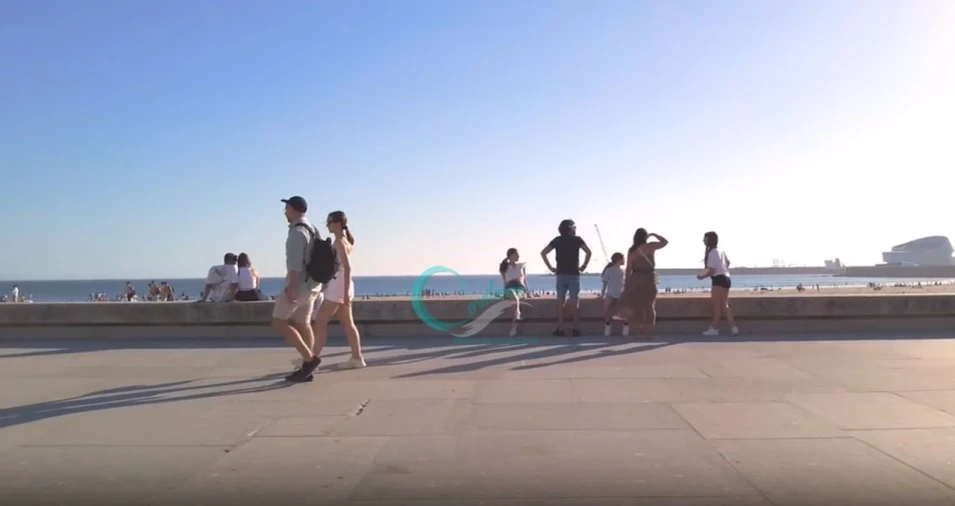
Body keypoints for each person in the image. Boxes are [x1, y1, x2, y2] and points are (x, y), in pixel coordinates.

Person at [272, 196, 323, 382]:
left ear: (293, 209)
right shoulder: (313, 229)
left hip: (299, 284)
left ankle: (309, 360)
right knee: (303, 323)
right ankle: (307, 368)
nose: (285, 212)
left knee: (279, 321)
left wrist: (291, 287)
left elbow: (295, 264)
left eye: (286, 208)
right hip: (313, 286)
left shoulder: (296, 231)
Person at [311, 211, 365, 369]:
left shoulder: (340, 242)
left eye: (328, 222)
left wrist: (345, 293)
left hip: (338, 286)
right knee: (348, 323)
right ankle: (357, 357)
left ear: (337, 223)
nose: (327, 225)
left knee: (320, 322)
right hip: (342, 286)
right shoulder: (345, 241)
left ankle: (312, 359)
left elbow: (347, 268)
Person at [541, 219, 592, 336]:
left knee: (560, 301)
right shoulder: (577, 240)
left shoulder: (557, 240)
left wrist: (550, 268)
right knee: (574, 301)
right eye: (574, 227)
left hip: (561, 274)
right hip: (574, 274)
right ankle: (575, 328)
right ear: (571, 228)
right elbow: (588, 252)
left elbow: (543, 252)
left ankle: (560, 328)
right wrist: (583, 266)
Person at [616, 228, 667, 340]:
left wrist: (627, 283)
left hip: (636, 278)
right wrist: (654, 234)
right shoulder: (651, 246)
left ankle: (637, 333)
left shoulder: (632, 250)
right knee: (649, 306)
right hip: (649, 277)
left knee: (636, 306)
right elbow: (664, 242)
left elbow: (628, 268)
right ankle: (649, 333)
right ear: (645, 237)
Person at [697, 231, 739, 336]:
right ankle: (733, 328)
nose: (703, 240)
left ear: (709, 240)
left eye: (705, 238)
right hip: (726, 278)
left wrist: (701, 276)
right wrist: (723, 269)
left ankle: (714, 328)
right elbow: (728, 263)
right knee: (725, 305)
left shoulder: (712, 253)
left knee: (717, 306)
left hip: (718, 280)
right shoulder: (721, 250)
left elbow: (712, 270)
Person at [500, 248, 531, 337]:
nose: (518, 256)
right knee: (513, 294)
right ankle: (517, 318)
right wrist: (503, 293)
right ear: (510, 256)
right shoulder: (504, 266)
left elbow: (525, 279)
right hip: (510, 288)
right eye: (516, 254)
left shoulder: (522, 265)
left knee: (515, 297)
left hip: (520, 288)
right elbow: (505, 281)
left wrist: (528, 292)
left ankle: (515, 322)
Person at [600, 252, 629, 337]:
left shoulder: (622, 271)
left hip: (621, 293)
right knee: (606, 310)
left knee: (624, 311)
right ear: (618, 260)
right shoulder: (609, 270)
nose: (624, 261)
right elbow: (605, 282)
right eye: (623, 259)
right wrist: (602, 293)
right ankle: (607, 326)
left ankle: (625, 328)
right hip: (610, 293)